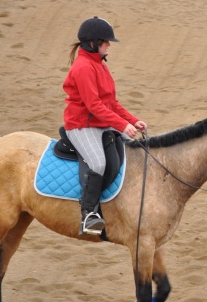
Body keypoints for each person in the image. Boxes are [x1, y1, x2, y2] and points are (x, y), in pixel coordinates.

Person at [63, 16, 147, 235]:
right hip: (82, 124)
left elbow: (112, 103)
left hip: (101, 122)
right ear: (93, 43)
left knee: (134, 147)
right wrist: (121, 124)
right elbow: (93, 106)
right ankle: (89, 214)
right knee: (98, 163)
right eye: (105, 42)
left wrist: (132, 120)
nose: (109, 45)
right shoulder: (83, 68)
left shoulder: (100, 65)